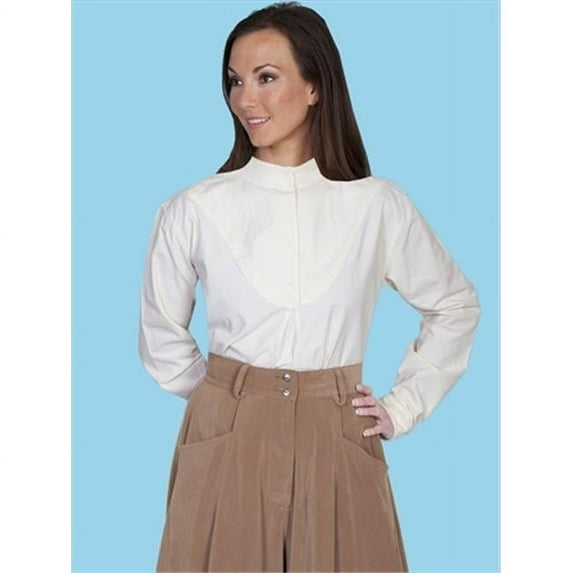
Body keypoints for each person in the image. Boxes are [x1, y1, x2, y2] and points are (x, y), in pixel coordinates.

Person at [138, 2, 481, 571]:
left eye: (267, 77)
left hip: (338, 429)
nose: (246, 99)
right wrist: (229, 396)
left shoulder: (376, 205)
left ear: (316, 86)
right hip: (227, 433)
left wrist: (403, 406)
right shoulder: (193, 208)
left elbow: (454, 305)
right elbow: (160, 335)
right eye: (235, 81)